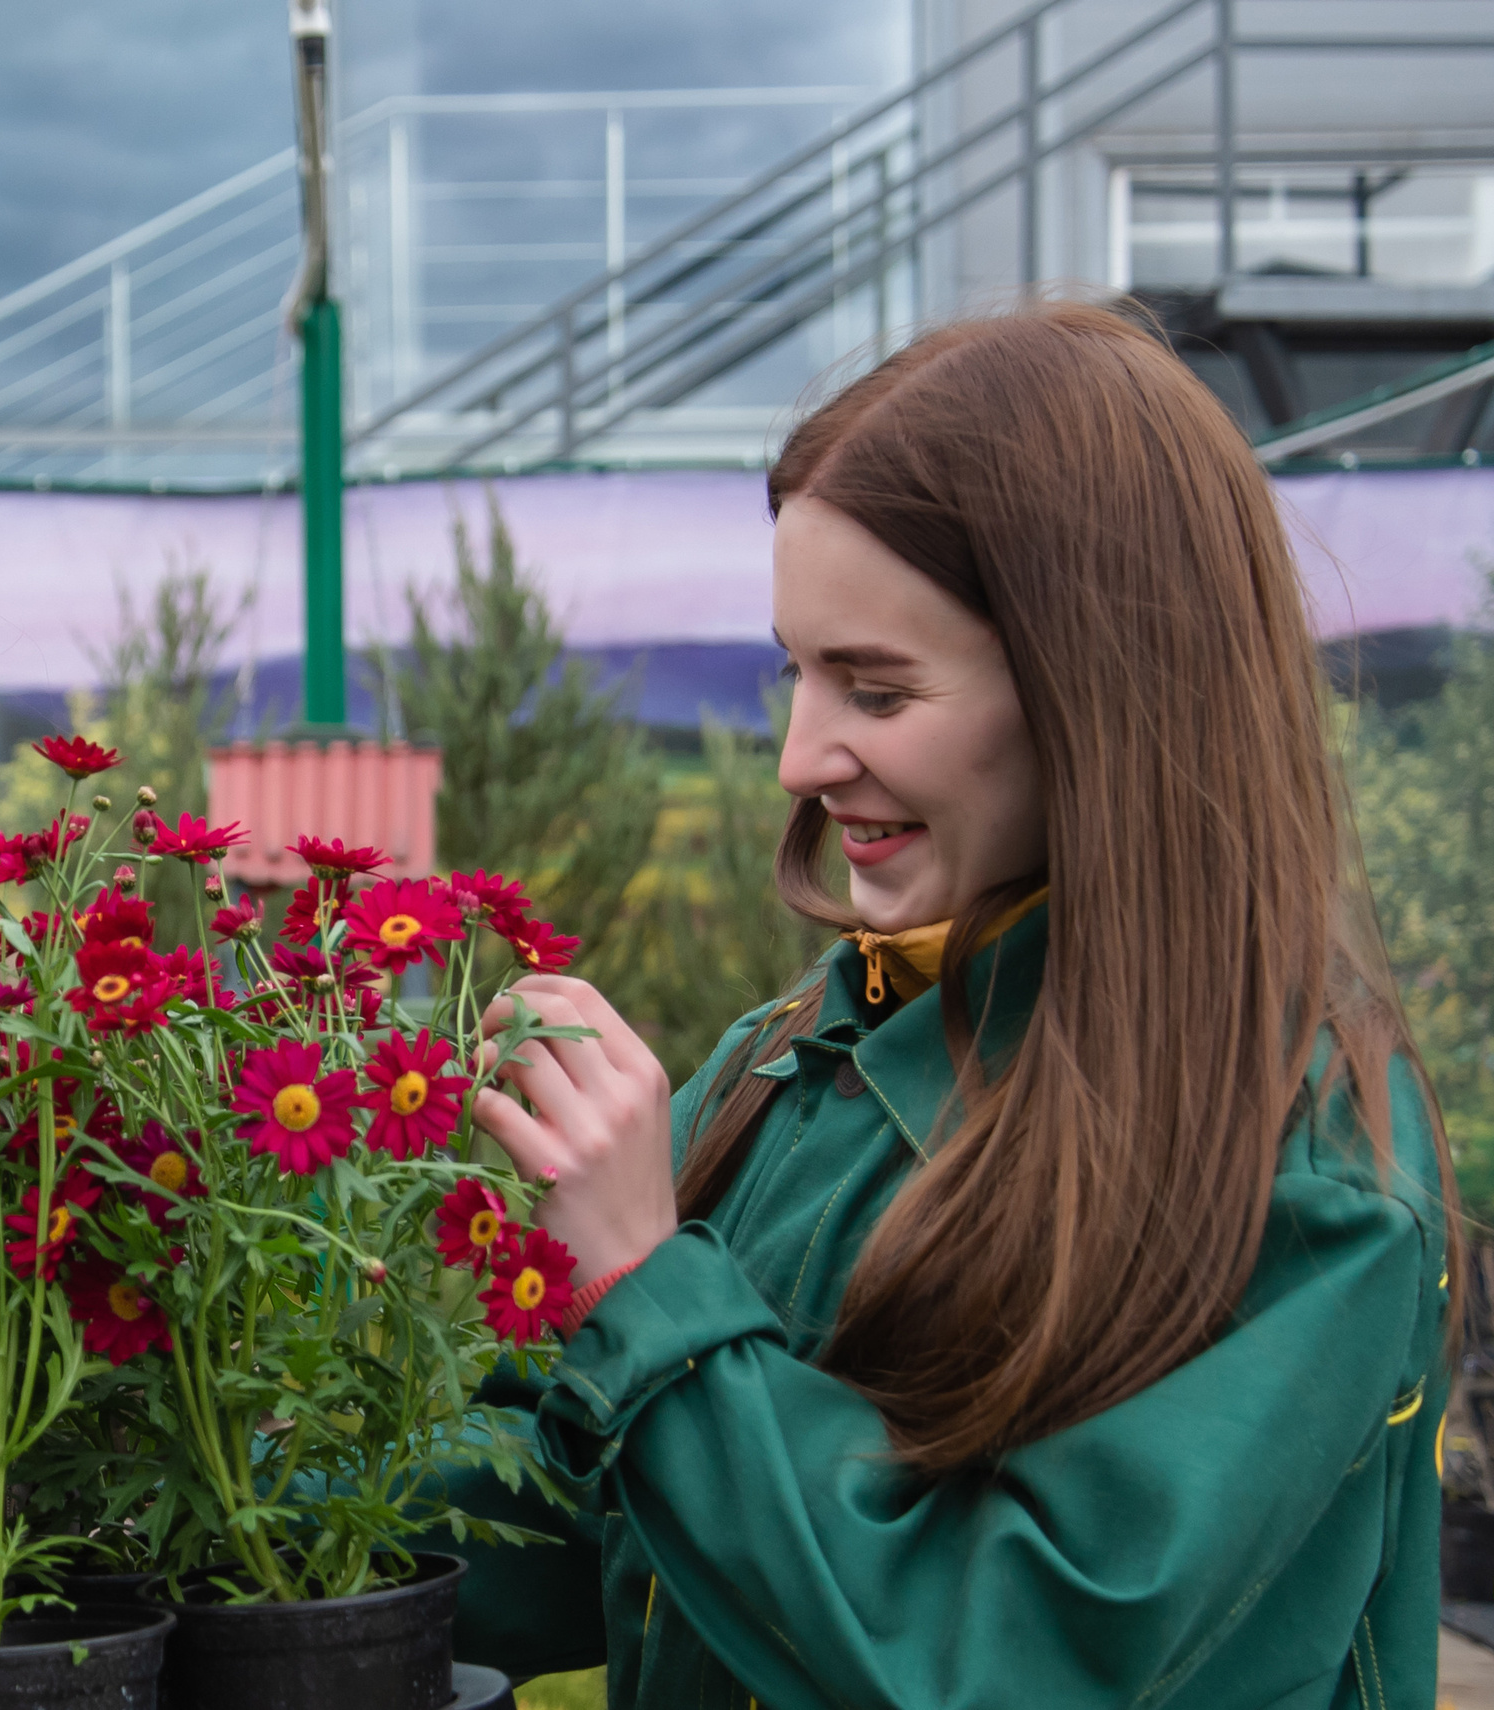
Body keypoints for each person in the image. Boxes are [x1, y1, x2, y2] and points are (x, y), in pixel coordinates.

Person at [450, 301, 1457, 1708]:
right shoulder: (802, 1061)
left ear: (1098, 693)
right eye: (795, 671)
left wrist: (642, 1287)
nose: (802, 755)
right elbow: (568, 1511)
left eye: (875, 686)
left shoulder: (1307, 1171)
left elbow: (1005, 1658)